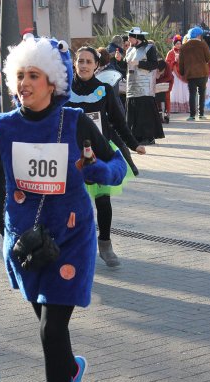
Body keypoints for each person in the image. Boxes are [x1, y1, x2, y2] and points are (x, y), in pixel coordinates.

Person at [0, 36, 127, 382]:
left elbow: (117, 163)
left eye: (34, 75)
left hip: (72, 238)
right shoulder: (4, 127)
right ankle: (71, 369)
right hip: (25, 240)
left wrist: (96, 170)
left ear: (53, 82)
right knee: (48, 327)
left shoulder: (75, 123)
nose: (24, 83)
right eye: (20, 75)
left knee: (51, 331)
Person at [66, 46, 145, 267]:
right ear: (74, 63)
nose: (83, 66)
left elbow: (119, 121)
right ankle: (76, 247)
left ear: (96, 65)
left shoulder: (104, 90)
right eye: (80, 61)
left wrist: (133, 144)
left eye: (88, 62)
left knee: (103, 200)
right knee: (73, 203)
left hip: (100, 151)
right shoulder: (63, 90)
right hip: (72, 154)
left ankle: (105, 244)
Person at [124, 27, 164, 145]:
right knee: (133, 114)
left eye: (130, 36)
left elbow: (154, 64)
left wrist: (139, 63)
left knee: (145, 113)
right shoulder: (129, 50)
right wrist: (120, 60)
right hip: (132, 86)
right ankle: (135, 136)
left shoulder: (149, 48)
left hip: (145, 87)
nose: (128, 38)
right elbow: (125, 67)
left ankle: (148, 137)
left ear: (137, 37)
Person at [179, 26, 210, 121]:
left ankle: (192, 115)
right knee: (202, 94)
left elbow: (181, 62)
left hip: (190, 74)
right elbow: (208, 58)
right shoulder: (203, 45)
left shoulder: (184, 46)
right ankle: (201, 114)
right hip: (202, 73)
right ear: (198, 35)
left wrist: (182, 72)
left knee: (192, 94)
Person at [166, 34, 190, 114]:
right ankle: (175, 108)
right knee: (176, 90)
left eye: (180, 43)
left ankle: (185, 108)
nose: (179, 45)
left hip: (183, 73)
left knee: (184, 90)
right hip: (175, 74)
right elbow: (167, 64)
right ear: (174, 44)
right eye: (177, 44)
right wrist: (174, 61)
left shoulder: (184, 51)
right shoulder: (171, 53)